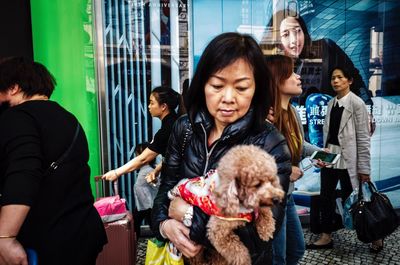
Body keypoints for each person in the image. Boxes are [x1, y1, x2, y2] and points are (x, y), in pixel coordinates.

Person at [151, 32, 292, 264]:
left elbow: (262, 235)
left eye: (241, 88)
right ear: (203, 84)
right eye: (217, 85)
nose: (228, 97)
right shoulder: (184, 128)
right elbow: (166, 188)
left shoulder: (270, 144)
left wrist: (188, 215)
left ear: (256, 89)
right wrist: (164, 226)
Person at [0, 57, 107, 265]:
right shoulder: (69, 118)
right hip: (83, 232)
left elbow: (24, 172)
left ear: (13, 87)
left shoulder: (17, 117)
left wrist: (6, 237)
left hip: (47, 241)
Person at [306, 66, 382, 253]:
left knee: (356, 199)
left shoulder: (357, 104)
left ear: (349, 81)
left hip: (350, 159)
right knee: (326, 197)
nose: (335, 81)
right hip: (331, 157)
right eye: (333, 78)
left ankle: (374, 236)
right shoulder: (332, 103)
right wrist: (322, 155)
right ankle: (326, 236)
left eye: (340, 77)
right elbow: (329, 136)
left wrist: (364, 169)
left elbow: (363, 139)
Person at [265, 55, 320, 265]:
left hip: (287, 196)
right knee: (277, 257)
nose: (298, 76)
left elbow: (301, 145)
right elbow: (256, 160)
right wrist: (288, 169)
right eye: (291, 73)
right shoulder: (264, 117)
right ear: (277, 79)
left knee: (296, 250)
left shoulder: (293, 112)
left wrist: (320, 152)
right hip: (269, 200)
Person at [273, 11, 373, 107]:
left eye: (297, 31)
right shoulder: (276, 69)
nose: (294, 40)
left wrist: (367, 109)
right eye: (286, 34)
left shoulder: (325, 48)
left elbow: (355, 79)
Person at [102, 86, 182, 183]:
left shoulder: (167, 129)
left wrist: (116, 173)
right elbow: (172, 155)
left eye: (152, 103)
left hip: (176, 181)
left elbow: (143, 159)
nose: (149, 106)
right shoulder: (175, 122)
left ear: (163, 106)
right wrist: (156, 170)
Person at [132, 142, 158, 237]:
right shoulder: (145, 169)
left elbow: (156, 185)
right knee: (137, 222)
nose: (136, 158)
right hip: (143, 204)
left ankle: (135, 240)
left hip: (148, 205)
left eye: (138, 156)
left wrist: (154, 182)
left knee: (138, 223)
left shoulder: (148, 170)